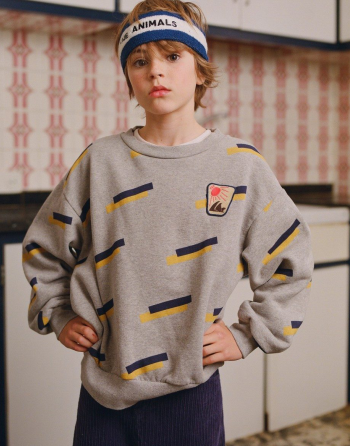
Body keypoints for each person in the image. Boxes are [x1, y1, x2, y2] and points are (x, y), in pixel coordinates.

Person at [21, 1, 314, 444]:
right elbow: (44, 248)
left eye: (172, 56)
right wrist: (57, 313)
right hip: (104, 392)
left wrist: (250, 333)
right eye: (140, 61)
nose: (155, 71)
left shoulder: (241, 167)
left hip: (190, 395)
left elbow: (290, 261)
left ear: (200, 71)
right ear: (129, 80)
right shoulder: (100, 162)